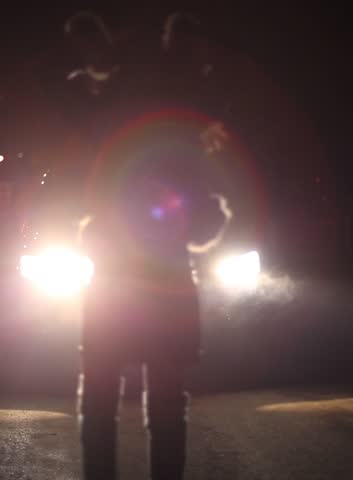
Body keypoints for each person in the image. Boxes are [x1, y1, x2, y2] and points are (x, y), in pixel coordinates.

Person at [76, 117, 230, 479]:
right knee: (166, 407)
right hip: (165, 298)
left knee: (99, 405)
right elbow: (206, 225)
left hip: (113, 297)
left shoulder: (111, 154)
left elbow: (88, 222)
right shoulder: (184, 163)